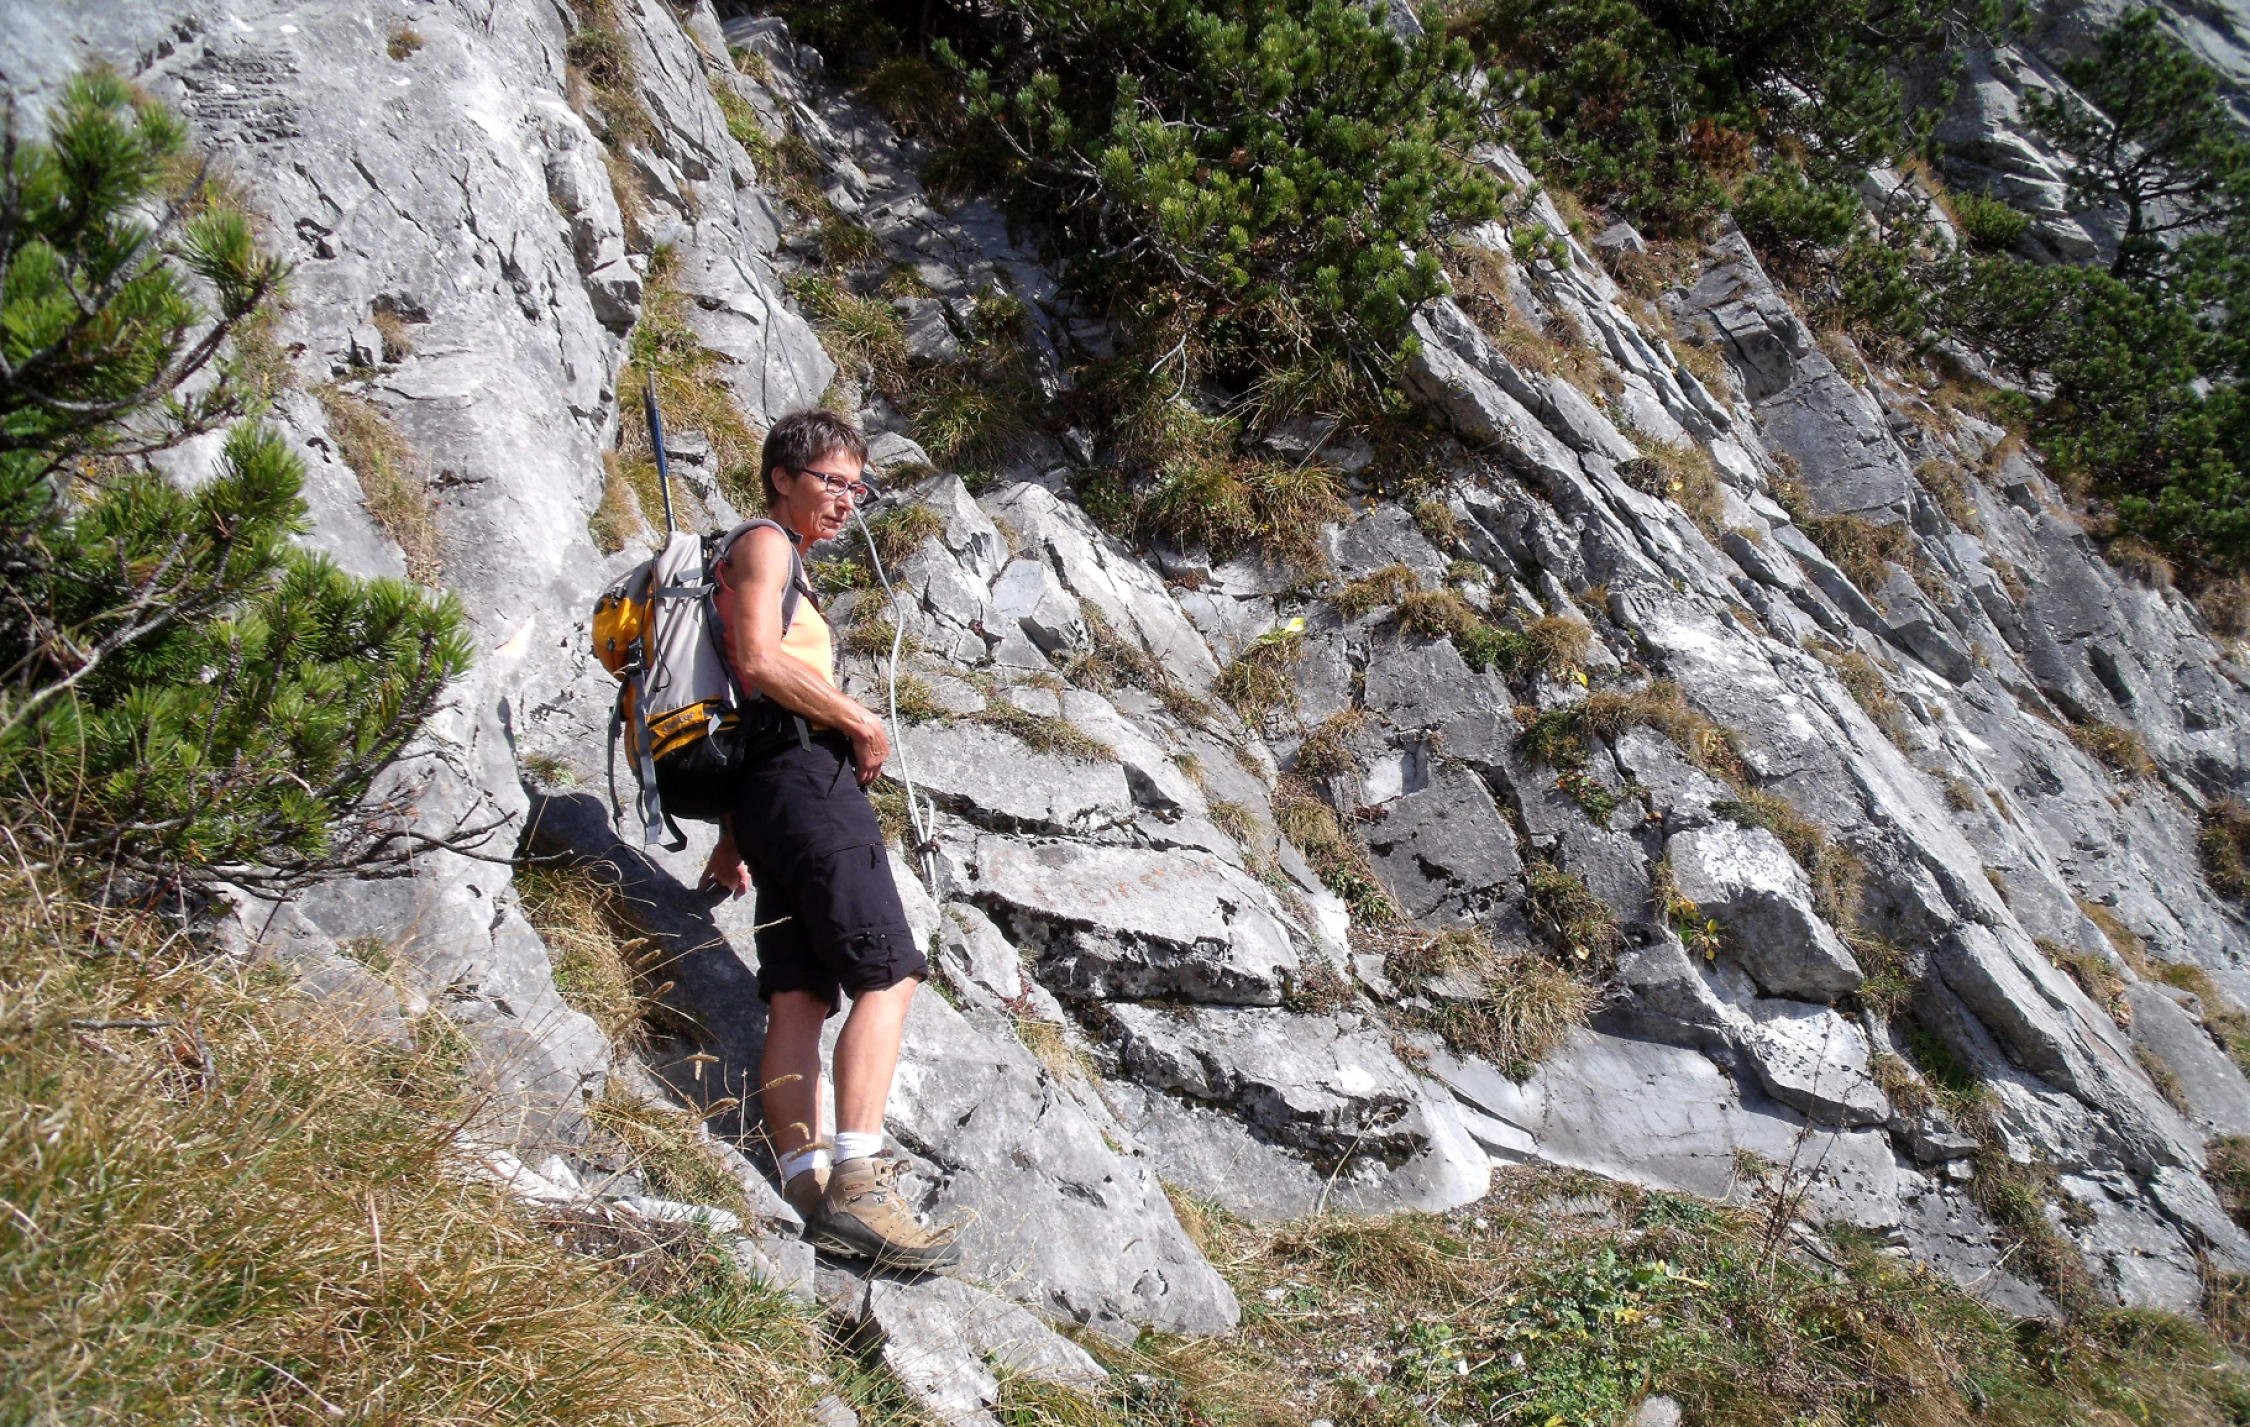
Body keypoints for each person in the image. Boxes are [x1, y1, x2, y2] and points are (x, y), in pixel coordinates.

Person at [699, 408, 959, 1272]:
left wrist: (735, 837)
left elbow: (743, 710)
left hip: (770, 798)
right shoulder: (765, 542)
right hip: (811, 787)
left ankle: (805, 1190)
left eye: (857, 486)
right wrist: (860, 720)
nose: (848, 500)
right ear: (783, 477)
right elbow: (758, 662)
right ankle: (859, 1180)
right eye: (833, 482)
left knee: (800, 996)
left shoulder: (770, 558)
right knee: (888, 970)